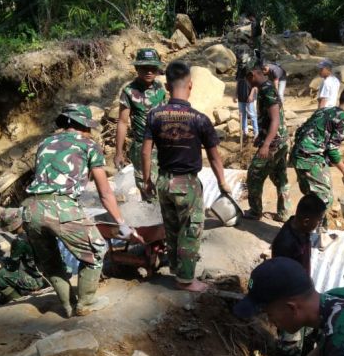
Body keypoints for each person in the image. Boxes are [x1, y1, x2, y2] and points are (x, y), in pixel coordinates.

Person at [22, 103, 140, 317]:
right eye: (89, 128)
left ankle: (68, 305)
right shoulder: (88, 145)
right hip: (61, 208)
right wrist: (122, 224)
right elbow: (105, 192)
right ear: (84, 126)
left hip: (31, 209)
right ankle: (86, 302)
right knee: (96, 250)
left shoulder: (45, 143)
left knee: (51, 262)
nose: (89, 132)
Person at [141, 61, 230, 293]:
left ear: (167, 86)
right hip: (187, 183)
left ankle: (176, 269)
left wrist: (147, 180)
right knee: (190, 230)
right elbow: (214, 157)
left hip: (163, 181)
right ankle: (186, 280)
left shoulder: (154, 115)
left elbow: (146, 151)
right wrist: (222, 182)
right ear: (190, 85)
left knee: (171, 228)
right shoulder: (199, 119)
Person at [269, 194, 326, 356]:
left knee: (309, 335)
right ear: (307, 220)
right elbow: (281, 280)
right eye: (319, 220)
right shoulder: (286, 243)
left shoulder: (302, 229)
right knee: (290, 344)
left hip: (303, 293)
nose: (319, 224)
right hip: (290, 301)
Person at [290, 87, 344, 208]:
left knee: (311, 196)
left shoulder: (323, 111)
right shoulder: (343, 119)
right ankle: (316, 221)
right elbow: (332, 150)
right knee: (325, 199)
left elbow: (300, 131)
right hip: (310, 158)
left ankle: (305, 219)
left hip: (297, 154)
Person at [114, 48, 167, 197]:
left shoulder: (160, 88)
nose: (149, 72)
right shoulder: (129, 91)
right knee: (147, 188)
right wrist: (119, 152)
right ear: (137, 68)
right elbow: (123, 122)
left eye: (153, 68)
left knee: (164, 187)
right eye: (144, 68)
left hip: (162, 146)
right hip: (141, 145)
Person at [245, 63, 290, 222]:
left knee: (254, 176)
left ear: (252, 75)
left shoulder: (267, 90)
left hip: (273, 144)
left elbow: (275, 119)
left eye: (247, 79)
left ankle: (255, 211)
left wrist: (266, 145)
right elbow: (268, 118)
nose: (248, 83)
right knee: (280, 177)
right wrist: (261, 136)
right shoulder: (267, 87)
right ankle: (284, 213)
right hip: (280, 140)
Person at [0, 208, 48, 309]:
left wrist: (4, 260)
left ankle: (20, 302)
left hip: (41, 279)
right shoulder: (38, 229)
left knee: (2, 275)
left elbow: (12, 267)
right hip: (57, 270)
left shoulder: (19, 242)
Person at [234, 56, 258, 137]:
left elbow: (254, 85)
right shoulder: (239, 72)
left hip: (249, 97)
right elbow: (237, 83)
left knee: (252, 114)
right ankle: (245, 132)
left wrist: (251, 95)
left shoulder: (251, 72)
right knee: (242, 115)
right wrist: (235, 94)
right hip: (241, 96)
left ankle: (256, 132)